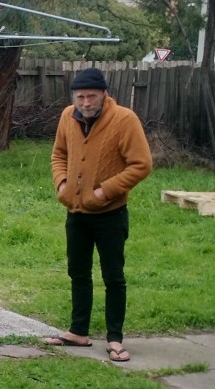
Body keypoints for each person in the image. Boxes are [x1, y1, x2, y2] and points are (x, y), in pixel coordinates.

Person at [45, 67, 154, 362]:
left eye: (91, 96)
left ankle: (115, 339)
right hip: (76, 211)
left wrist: (105, 191)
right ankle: (78, 331)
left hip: (110, 213)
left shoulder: (124, 120)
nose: (85, 102)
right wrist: (62, 184)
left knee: (113, 276)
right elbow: (58, 154)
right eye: (80, 97)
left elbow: (141, 164)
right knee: (78, 272)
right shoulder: (68, 116)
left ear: (104, 94)